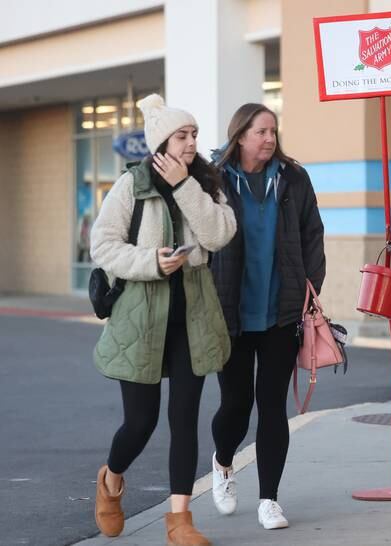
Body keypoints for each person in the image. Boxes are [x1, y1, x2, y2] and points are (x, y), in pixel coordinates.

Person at [91, 94, 236, 545]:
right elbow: (103, 246)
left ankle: (180, 520)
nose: (191, 142)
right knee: (140, 422)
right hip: (141, 317)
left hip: (193, 316)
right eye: (182, 135)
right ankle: (111, 479)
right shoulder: (129, 186)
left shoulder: (207, 183)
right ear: (161, 142)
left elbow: (219, 234)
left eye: (193, 134)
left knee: (185, 417)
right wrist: (152, 260)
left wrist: (183, 186)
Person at [208, 103, 325, 530]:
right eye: (261, 131)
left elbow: (313, 230)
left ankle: (269, 499)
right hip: (231, 314)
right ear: (240, 136)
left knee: (272, 405)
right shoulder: (215, 181)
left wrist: (312, 284)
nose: (270, 139)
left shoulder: (292, 177)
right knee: (236, 406)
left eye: (273, 130)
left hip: (282, 311)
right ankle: (222, 462)